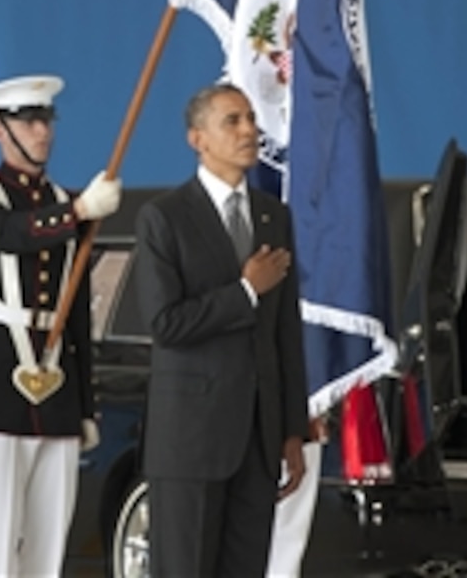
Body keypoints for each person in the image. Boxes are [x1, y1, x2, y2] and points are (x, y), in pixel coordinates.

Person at [0, 74, 121, 577]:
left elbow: (77, 311)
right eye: (28, 121)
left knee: (49, 540)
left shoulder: (66, 202)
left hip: (58, 384)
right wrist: (80, 211)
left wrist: (87, 405)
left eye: (46, 120)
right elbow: (8, 235)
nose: (42, 131)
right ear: (0, 130)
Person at [133, 82, 310, 577]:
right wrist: (245, 292)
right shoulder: (163, 218)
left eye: (251, 118)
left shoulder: (274, 216)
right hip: (190, 441)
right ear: (198, 138)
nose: (250, 130)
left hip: (257, 438)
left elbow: (285, 332)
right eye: (232, 121)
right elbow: (166, 323)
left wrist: (292, 429)